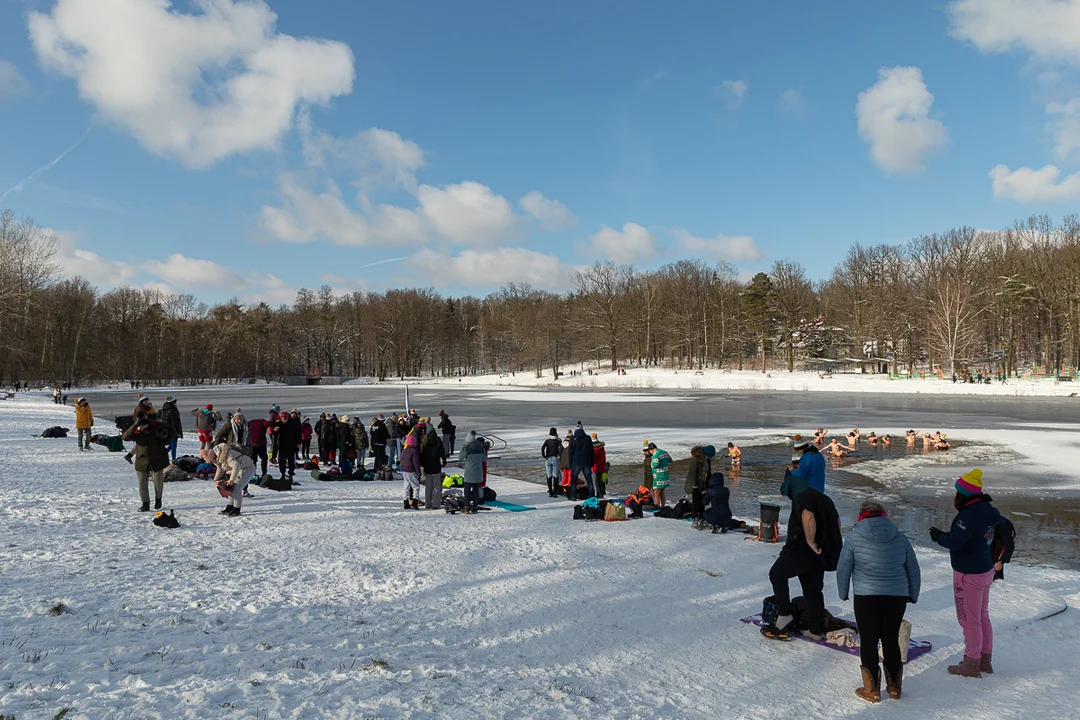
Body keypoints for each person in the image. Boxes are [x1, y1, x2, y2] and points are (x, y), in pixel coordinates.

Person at [837, 499, 921, 703]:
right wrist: (913, 594)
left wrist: (843, 592)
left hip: (867, 596)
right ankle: (894, 688)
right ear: (884, 514)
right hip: (896, 596)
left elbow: (844, 567)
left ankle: (872, 689)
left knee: (868, 640)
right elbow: (913, 569)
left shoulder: (854, 537)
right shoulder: (900, 538)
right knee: (890, 639)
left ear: (861, 515)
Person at [930, 469, 1001, 678]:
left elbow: (957, 542)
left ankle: (971, 663)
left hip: (969, 573)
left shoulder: (969, 516)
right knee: (981, 616)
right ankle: (984, 660)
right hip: (984, 569)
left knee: (969, 619)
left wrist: (938, 537)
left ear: (962, 495)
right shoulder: (987, 510)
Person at [762, 475, 842, 641]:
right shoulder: (824, 498)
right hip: (821, 551)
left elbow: (808, 516)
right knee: (813, 589)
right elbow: (837, 521)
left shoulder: (802, 497)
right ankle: (815, 629)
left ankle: (784, 616)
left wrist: (811, 542)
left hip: (801, 549)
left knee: (777, 574)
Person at [122, 411, 176, 512]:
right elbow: (125, 437)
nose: (143, 427)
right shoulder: (136, 431)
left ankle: (158, 498)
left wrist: (166, 441)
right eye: (141, 425)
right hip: (142, 459)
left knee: (158, 480)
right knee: (142, 483)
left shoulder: (156, 426)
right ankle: (145, 503)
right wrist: (135, 426)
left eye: (145, 425)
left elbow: (172, 430)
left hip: (157, 457)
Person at [212, 441, 256, 517]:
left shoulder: (228, 455)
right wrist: (216, 479)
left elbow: (236, 466)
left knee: (236, 489)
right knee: (230, 488)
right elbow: (220, 468)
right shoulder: (219, 457)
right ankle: (230, 506)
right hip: (240, 469)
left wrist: (231, 480)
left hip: (247, 468)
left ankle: (236, 509)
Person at [686, 445, 715, 530]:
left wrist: (709, 484)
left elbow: (708, 472)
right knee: (696, 503)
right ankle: (695, 520)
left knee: (703, 502)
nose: (709, 458)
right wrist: (694, 486)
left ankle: (702, 519)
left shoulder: (707, 459)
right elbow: (693, 474)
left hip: (703, 484)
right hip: (694, 485)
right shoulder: (696, 460)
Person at [420, 425, 447, 510]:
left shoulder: (425, 440)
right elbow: (442, 452)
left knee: (428, 487)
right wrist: (444, 461)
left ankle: (428, 504)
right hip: (436, 466)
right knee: (436, 486)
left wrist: (422, 465)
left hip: (427, 467)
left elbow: (422, 455)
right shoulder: (438, 440)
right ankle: (436, 504)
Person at [459, 431, 486, 513]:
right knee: (476, 491)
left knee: (467, 491)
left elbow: (460, 457)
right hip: (478, 473)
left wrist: (464, 447)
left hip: (469, 473)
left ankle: (466, 507)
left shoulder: (467, 448)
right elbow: (484, 459)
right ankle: (475, 507)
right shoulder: (481, 448)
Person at [569, 426, 595, 500]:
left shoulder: (573, 439)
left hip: (576, 462)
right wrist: (592, 462)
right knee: (589, 480)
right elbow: (591, 451)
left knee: (573, 480)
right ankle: (591, 495)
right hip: (586, 462)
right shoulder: (588, 438)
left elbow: (570, 452)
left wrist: (570, 462)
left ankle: (573, 496)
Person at [278, 409, 302, 479]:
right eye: (283, 419)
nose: (284, 420)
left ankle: (291, 474)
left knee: (291, 461)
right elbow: (274, 434)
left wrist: (298, 442)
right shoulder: (279, 424)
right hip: (282, 446)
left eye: (285, 419)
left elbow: (298, 433)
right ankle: (282, 474)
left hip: (291, 445)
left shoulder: (293, 424)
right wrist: (275, 430)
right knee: (281, 461)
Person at [400, 433, 422, 509]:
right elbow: (416, 463)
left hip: (404, 470)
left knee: (406, 486)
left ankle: (405, 502)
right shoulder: (414, 451)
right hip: (411, 470)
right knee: (416, 486)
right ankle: (415, 502)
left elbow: (401, 461)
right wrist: (419, 472)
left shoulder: (404, 450)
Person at [159, 396, 183, 462]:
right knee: (174, 446)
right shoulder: (172, 410)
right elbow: (174, 422)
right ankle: (173, 459)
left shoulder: (164, 409)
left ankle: (162, 455)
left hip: (167, 430)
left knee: (171, 445)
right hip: (172, 430)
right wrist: (177, 432)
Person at [992, 515, 1016, 581]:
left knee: (996, 558)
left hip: (1004, 536)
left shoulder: (1002, 525)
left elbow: (1009, 545)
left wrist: (1001, 561)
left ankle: (997, 579)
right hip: (993, 534)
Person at [541, 428, 562, 498]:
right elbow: (561, 448)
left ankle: (550, 492)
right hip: (555, 459)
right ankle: (555, 493)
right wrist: (559, 454)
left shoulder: (547, 441)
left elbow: (542, 448)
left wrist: (544, 456)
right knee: (556, 476)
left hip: (548, 459)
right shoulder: (558, 441)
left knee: (549, 476)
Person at [649, 443, 672, 508]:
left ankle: (657, 507)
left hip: (658, 476)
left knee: (656, 493)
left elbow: (655, 464)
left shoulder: (656, 454)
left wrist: (652, 464)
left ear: (651, 449)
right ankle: (663, 506)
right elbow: (670, 460)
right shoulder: (664, 452)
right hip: (665, 476)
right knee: (662, 493)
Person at [247, 412, 270, 478]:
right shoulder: (262, 422)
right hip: (261, 445)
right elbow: (268, 424)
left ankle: (253, 473)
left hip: (253, 445)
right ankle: (264, 473)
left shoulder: (250, 423)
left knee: (253, 460)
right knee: (264, 459)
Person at [592, 433, 608, 498]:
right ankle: (602, 492)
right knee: (602, 481)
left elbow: (594, 459)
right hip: (602, 467)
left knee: (597, 481)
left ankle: (599, 494)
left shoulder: (596, 450)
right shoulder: (602, 449)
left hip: (596, 467)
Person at [559, 432, 573, 496]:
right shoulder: (570, 448)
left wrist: (561, 465)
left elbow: (560, 457)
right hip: (570, 465)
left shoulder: (563, 448)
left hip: (564, 465)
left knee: (565, 476)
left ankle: (563, 488)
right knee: (570, 477)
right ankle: (568, 488)